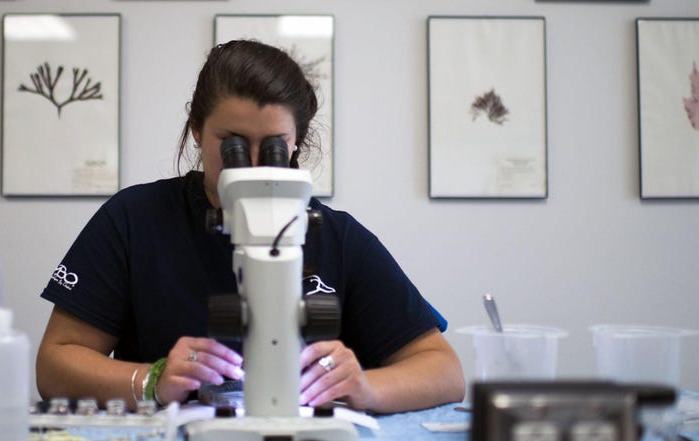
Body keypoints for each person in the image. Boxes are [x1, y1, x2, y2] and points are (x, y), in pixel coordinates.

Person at [37, 39, 465, 414]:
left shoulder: (339, 238)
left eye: (274, 146)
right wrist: (149, 380)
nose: (254, 166)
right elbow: (55, 362)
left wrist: (368, 387)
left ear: (296, 142)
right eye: (233, 145)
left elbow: (444, 370)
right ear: (197, 132)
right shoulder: (133, 219)